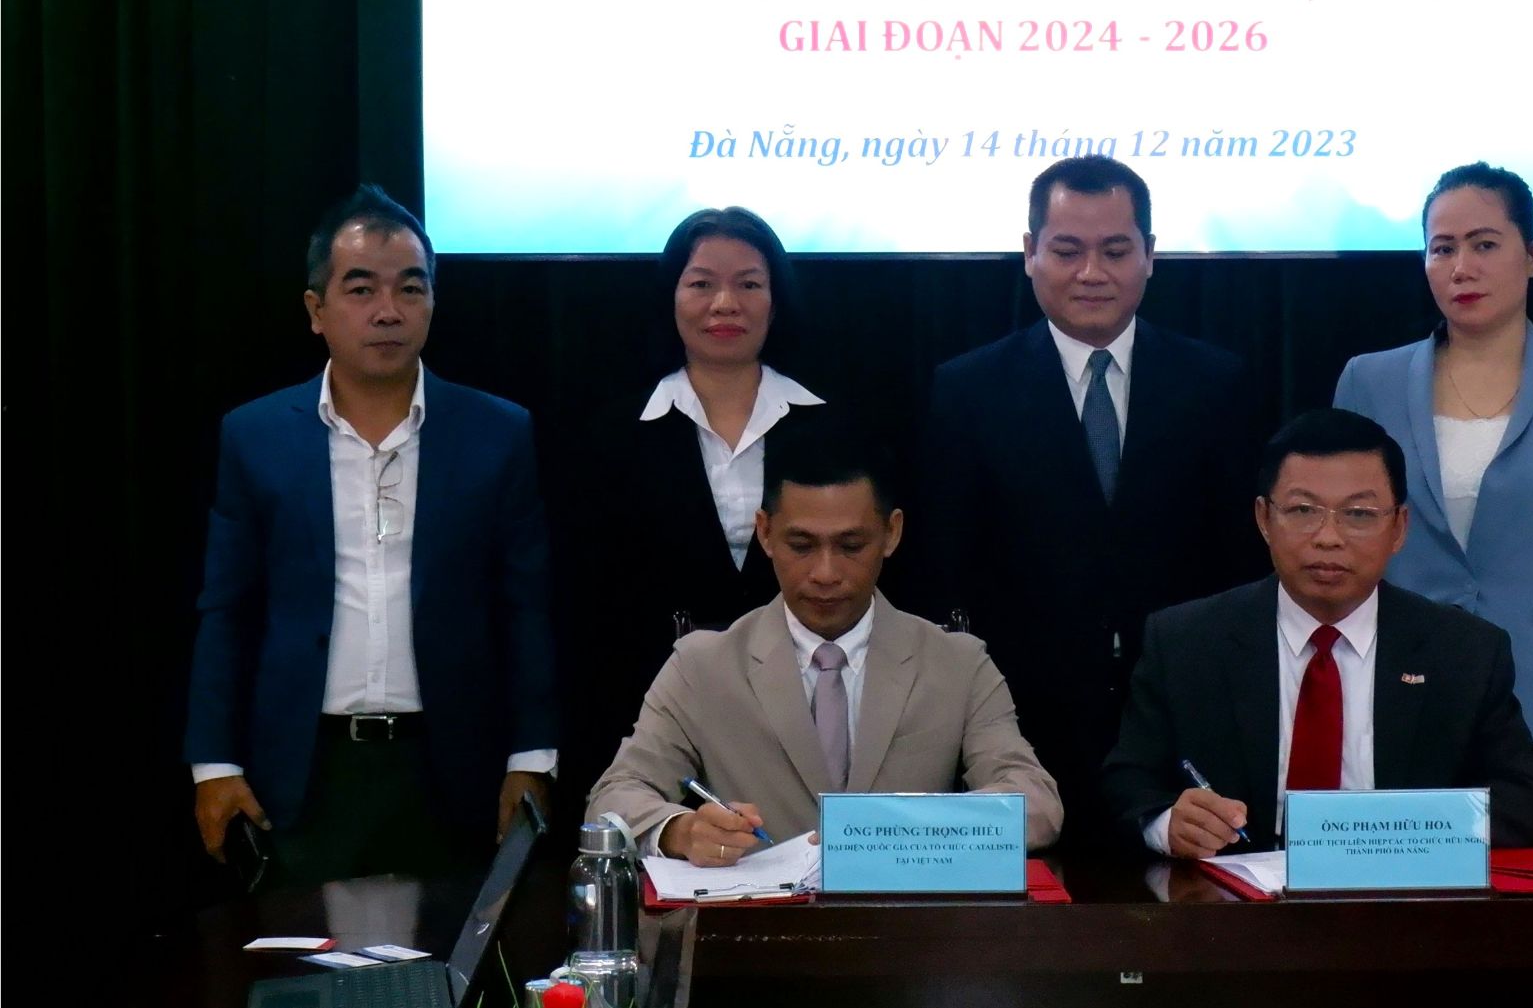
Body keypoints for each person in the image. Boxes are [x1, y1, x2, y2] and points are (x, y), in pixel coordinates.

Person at [185, 185, 558, 886]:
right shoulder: (256, 435)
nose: (388, 310)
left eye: (410, 288)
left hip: (453, 766)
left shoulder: (497, 431)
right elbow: (226, 609)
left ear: (432, 302)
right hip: (305, 769)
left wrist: (532, 757)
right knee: (309, 979)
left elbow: (525, 605)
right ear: (315, 310)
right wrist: (215, 763)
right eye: (361, 288)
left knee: (455, 977)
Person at [913, 155, 1260, 827]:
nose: (1092, 272)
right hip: (1022, 721)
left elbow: (1239, 562)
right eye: (1067, 249)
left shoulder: (1217, 383)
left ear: (1150, 256)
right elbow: (944, 565)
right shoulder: (967, 390)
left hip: (1183, 717)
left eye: (1116, 249)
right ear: (1029, 252)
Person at [1332, 162, 1533, 846]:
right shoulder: (1369, 379)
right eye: (1441, 247)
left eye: (1484, 244)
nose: (1460, 267)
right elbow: (1341, 557)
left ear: (1532, 254)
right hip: (1400, 695)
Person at [589, 414, 1062, 857]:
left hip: (908, 934)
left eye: (851, 546)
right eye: (801, 545)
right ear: (765, 533)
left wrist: (906, 834)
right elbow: (613, 798)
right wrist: (680, 830)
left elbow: (1037, 804)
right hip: (756, 934)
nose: (825, 573)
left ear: (892, 534)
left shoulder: (956, 663)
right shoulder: (703, 666)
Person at [1100, 409, 1533, 855]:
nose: (1328, 537)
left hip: (1401, 903)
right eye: (1302, 510)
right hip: (1236, 905)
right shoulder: (1186, 641)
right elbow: (1128, 781)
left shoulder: (1465, 651)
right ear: (1263, 518)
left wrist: (1397, 836)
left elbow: (1520, 804)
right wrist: (1167, 824)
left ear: (1399, 528)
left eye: (1358, 513)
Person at [559, 206, 825, 799]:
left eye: (749, 284)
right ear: (671, 296)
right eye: (702, 283)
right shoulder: (611, 434)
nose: (725, 304)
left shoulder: (830, 430)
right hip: (647, 721)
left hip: (804, 720)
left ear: (776, 300)